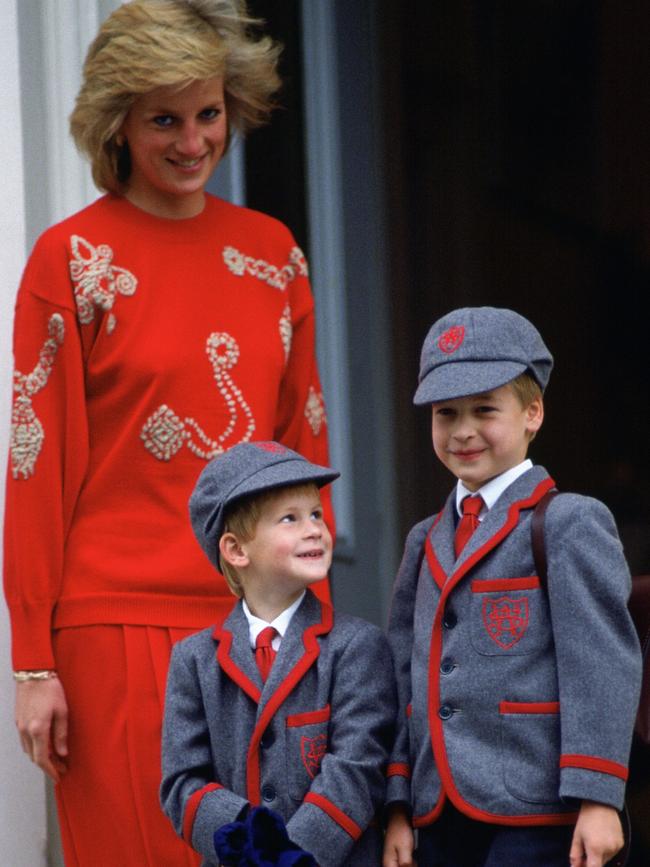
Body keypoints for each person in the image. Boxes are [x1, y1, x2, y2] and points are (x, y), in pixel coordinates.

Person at [4, 2, 332, 864]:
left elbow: (305, 452)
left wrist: (319, 626)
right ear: (117, 123)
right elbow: (36, 465)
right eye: (163, 119)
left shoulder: (275, 257)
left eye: (208, 113)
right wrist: (34, 663)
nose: (192, 141)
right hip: (111, 631)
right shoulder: (71, 260)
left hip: (252, 624)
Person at [382, 307, 642, 867]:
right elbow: (401, 676)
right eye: (445, 413)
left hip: (540, 809)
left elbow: (600, 665)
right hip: (439, 813)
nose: (463, 430)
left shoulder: (568, 521)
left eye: (484, 409)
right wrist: (398, 804)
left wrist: (598, 797)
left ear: (532, 412)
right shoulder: (423, 539)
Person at [161, 441, 395, 866]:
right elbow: (182, 783)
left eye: (316, 514)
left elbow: (356, 768)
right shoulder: (192, 661)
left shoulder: (358, 647)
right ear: (236, 550)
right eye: (290, 518)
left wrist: (290, 855)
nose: (314, 529)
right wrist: (250, 844)